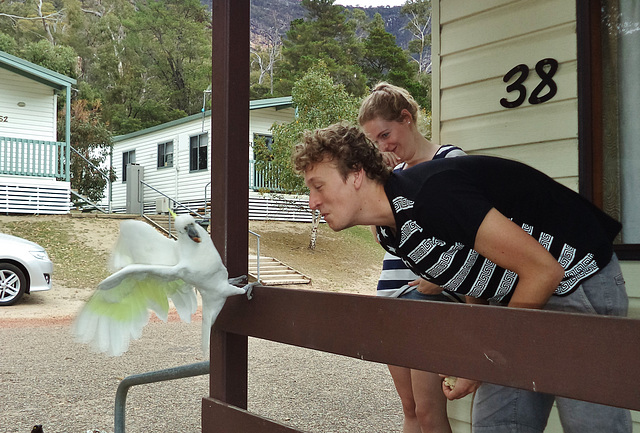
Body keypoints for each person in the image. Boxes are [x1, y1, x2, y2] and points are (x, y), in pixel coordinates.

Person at [292, 122, 631, 433]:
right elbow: (472, 275)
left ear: (356, 174)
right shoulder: (389, 230)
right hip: (516, 300)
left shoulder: (431, 196)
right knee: (495, 425)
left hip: (577, 281)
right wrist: (479, 353)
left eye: (318, 186)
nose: (312, 202)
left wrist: (482, 362)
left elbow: (544, 270)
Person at [359, 82, 464, 433]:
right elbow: (381, 236)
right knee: (410, 410)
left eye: (385, 134)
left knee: (430, 411)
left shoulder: (449, 161)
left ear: (407, 118)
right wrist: (381, 178)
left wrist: (441, 280)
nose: (383, 146)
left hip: (430, 300)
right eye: (374, 141)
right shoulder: (394, 176)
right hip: (391, 295)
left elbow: (473, 233)